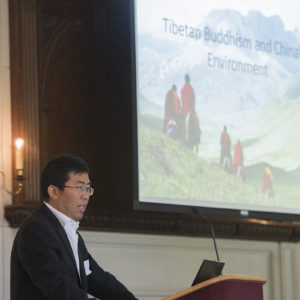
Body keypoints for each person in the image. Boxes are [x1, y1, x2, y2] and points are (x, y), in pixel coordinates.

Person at [10, 154, 138, 300]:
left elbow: (98, 279)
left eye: (88, 188)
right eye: (79, 187)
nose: (86, 195)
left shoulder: (71, 233)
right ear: (54, 191)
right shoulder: (35, 230)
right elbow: (58, 288)